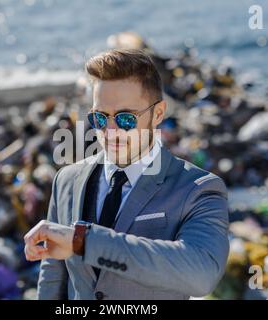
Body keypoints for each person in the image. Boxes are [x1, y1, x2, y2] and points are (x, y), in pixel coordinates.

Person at [24, 49, 229, 300]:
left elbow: (201, 275)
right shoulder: (67, 180)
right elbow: (53, 279)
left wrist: (85, 242)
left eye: (126, 119)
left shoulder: (198, 188)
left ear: (159, 113)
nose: (111, 131)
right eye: (100, 118)